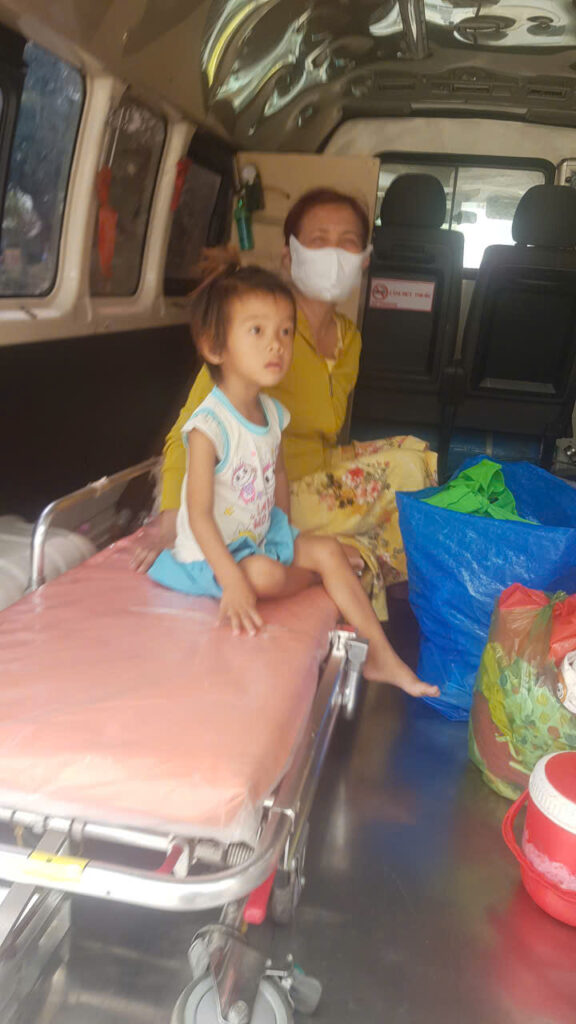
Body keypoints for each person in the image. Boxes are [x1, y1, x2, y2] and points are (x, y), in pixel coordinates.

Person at [134, 187, 436, 618]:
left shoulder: (349, 338)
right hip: (259, 486)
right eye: (319, 240)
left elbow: (326, 428)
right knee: (405, 471)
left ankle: (360, 557)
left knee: (417, 452)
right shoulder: (261, 331)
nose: (334, 254)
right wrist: (171, 514)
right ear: (289, 257)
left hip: (315, 466)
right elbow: (193, 423)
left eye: (348, 242)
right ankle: (350, 560)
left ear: (365, 259)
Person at [147, 254, 439, 699]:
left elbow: (277, 475)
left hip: (257, 540)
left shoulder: (271, 413)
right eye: (257, 331)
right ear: (215, 347)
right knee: (265, 575)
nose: (277, 345)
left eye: (285, 331)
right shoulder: (209, 427)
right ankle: (318, 577)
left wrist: (283, 533)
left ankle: (382, 656)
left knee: (324, 549)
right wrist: (231, 581)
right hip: (212, 555)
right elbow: (199, 516)